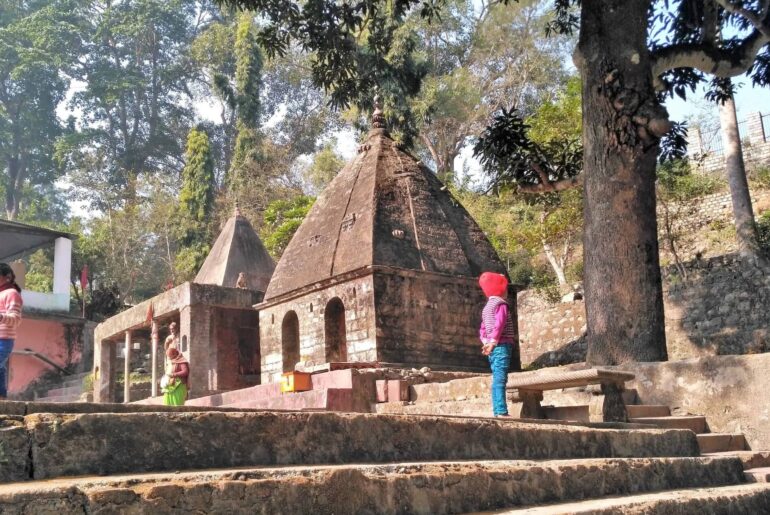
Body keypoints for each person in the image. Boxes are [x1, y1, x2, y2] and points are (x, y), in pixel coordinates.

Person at [478, 271, 517, 417]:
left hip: (492, 347)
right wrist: (493, 342)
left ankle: (497, 410)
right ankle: (501, 411)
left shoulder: (487, 307)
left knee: (496, 378)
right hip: (501, 345)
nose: (507, 291)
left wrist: (486, 342)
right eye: (505, 288)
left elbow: (482, 329)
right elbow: (499, 324)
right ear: (499, 289)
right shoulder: (501, 304)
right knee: (501, 378)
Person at [0, 263, 22, 400]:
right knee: (0, 368)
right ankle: (2, 398)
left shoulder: (12, 293)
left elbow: (16, 319)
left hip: (4, 339)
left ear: (6, 277)